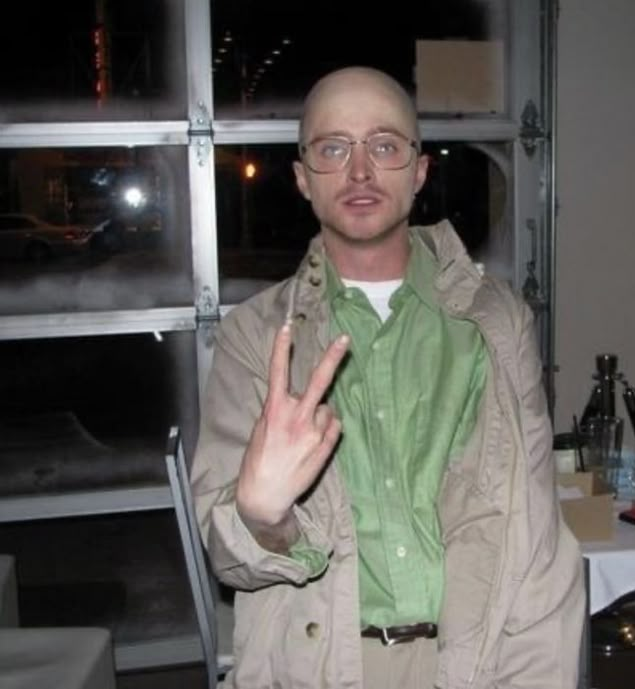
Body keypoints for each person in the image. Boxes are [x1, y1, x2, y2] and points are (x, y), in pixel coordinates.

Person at [191, 66, 585, 689]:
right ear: (302, 179)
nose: (359, 171)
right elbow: (228, 557)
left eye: (383, 145)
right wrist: (263, 516)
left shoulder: (495, 322)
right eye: (332, 148)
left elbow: (532, 540)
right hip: (318, 667)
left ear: (419, 171)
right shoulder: (256, 338)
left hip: (473, 663)